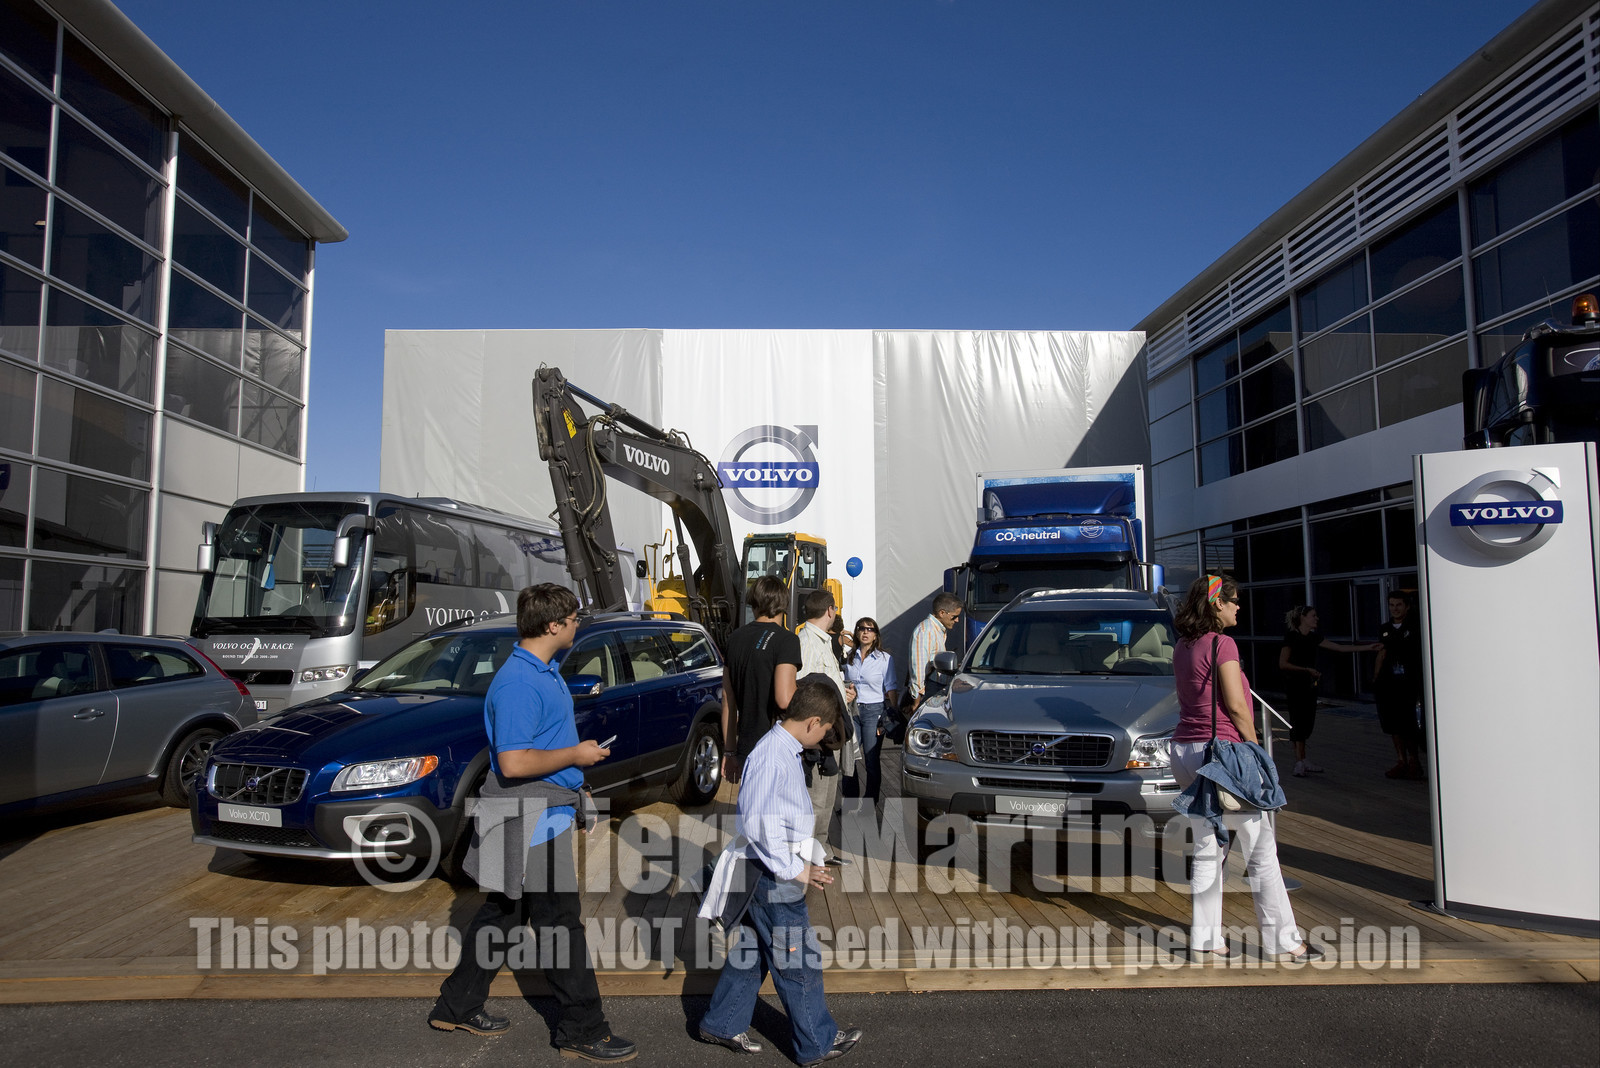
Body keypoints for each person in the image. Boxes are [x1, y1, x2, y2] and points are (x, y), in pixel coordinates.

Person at [429, 584, 635, 1062]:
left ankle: (456, 1005)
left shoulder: (544, 670)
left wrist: (574, 784)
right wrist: (578, 755)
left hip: (533, 812)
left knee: (503, 914)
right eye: (574, 618)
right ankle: (583, 1029)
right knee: (560, 923)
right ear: (553, 625)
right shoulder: (520, 683)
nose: (578, 623)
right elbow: (514, 763)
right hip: (527, 818)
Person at [697, 678, 864, 1066]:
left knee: (754, 951)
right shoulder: (773, 756)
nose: (824, 740)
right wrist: (796, 870)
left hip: (766, 870)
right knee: (798, 960)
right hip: (772, 875)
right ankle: (816, 1042)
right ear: (812, 721)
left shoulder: (782, 750)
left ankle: (721, 1022)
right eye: (824, 731)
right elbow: (758, 824)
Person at [1172, 574, 1321, 964]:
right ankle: (1285, 942)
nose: (1239, 607)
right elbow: (1237, 706)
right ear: (1217, 603)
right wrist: (1256, 748)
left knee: (1209, 849)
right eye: (1234, 600)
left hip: (1186, 749)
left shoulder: (1184, 646)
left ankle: (1207, 941)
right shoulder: (1224, 644)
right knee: (1260, 852)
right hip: (1222, 754)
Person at [1278, 605, 1376, 777]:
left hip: (1310, 685)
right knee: (1298, 721)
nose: (1317, 619)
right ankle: (1299, 761)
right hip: (1295, 686)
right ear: (1303, 617)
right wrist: (1306, 670)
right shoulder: (1291, 637)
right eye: (1313, 616)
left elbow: (1339, 648)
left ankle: (1303, 759)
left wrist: (1368, 647)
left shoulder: (1314, 638)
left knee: (1308, 722)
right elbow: (1283, 663)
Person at [722, 576, 802, 785]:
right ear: (783, 604)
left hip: (745, 747)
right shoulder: (787, 640)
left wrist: (729, 752)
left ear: (754, 602)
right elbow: (784, 699)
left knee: (751, 810)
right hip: (776, 748)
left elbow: (728, 699)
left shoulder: (734, 639)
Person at [797, 590, 857, 859]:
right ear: (830, 611)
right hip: (820, 738)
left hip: (829, 733)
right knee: (817, 800)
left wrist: (842, 694)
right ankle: (809, 855)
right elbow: (807, 695)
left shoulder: (819, 641)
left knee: (826, 798)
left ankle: (818, 851)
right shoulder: (808, 643)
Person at [842, 616, 899, 801]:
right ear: (857, 632)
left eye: (870, 629)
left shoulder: (884, 659)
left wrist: (892, 713)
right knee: (849, 756)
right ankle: (850, 799)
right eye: (862, 628)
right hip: (853, 710)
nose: (866, 632)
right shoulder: (851, 656)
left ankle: (871, 800)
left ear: (876, 635)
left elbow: (891, 687)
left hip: (874, 711)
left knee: (871, 759)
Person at [1372, 592, 1425, 780]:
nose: (1395, 608)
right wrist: (1376, 678)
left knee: (1409, 725)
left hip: (1409, 683)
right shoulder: (1385, 629)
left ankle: (1414, 762)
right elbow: (1382, 653)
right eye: (1392, 605)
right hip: (1389, 684)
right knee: (1393, 725)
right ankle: (1401, 761)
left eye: (1399, 605)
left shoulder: (1416, 627)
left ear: (1407, 606)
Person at [906, 592, 962, 711]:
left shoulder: (937, 629)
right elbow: (918, 668)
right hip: (929, 691)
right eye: (954, 616)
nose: (957, 620)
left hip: (937, 688)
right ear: (942, 613)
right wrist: (917, 701)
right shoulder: (926, 631)